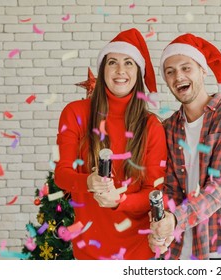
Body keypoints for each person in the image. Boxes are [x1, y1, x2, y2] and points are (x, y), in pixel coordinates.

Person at [54, 28, 167, 260]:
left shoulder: (151, 125)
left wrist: (120, 201)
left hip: (139, 251)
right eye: (112, 62)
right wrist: (88, 181)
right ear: (102, 69)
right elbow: (61, 175)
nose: (120, 70)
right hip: (89, 252)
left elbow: (154, 192)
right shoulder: (75, 113)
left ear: (138, 72)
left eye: (129, 63)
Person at [149, 33, 221, 260]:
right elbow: (170, 189)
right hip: (178, 251)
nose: (178, 76)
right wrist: (163, 229)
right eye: (170, 72)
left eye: (186, 68)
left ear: (203, 70)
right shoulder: (169, 128)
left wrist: (176, 219)